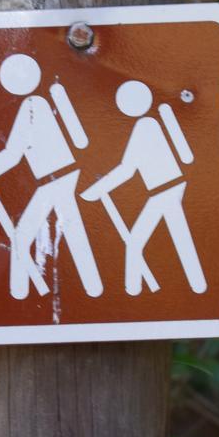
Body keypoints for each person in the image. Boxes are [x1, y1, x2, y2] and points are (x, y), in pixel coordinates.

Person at [0, 53, 103, 301]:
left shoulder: (33, 106)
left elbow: (13, 153)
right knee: (70, 229)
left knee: (23, 236)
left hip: (54, 179)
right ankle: (93, 289)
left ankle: (19, 296)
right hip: (61, 177)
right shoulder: (42, 101)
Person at [80, 79, 207, 296]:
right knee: (180, 236)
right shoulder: (152, 122)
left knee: (136, 242)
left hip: (163, 190)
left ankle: (132, 293)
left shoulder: (145, 126)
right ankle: (198, 285)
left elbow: (128, 168)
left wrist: (99, 189)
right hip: (170, 187)